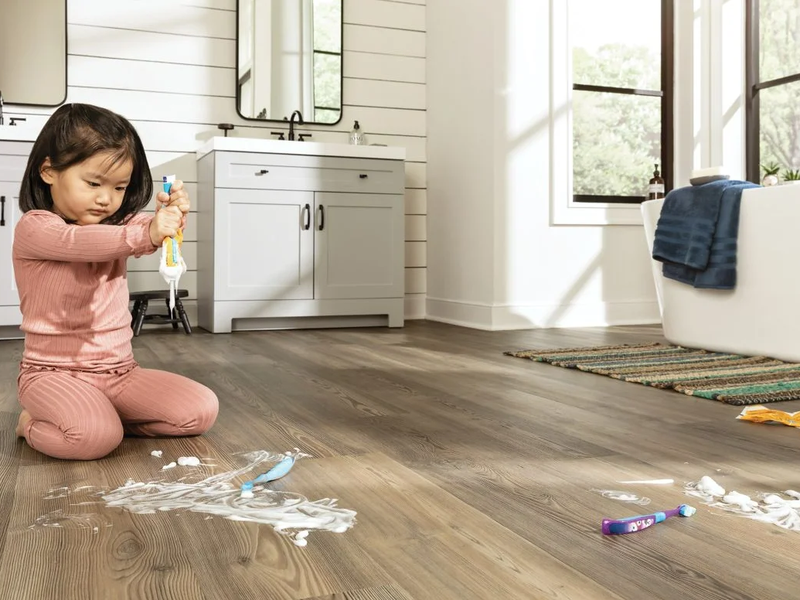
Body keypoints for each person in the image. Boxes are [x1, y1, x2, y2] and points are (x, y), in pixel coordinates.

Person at [12, 103, 218, 460]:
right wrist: (149, 233)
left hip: (119, 373)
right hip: (51, 375)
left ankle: (106, 419)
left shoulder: (118, 226)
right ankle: (30, 423)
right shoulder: (35, 228)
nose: (106, 198)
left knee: (201, 409)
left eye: (120, 187)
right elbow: (78, 243)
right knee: (92, 439)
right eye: (93, 183)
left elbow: (141, 230)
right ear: (48, 171)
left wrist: (170, 218)